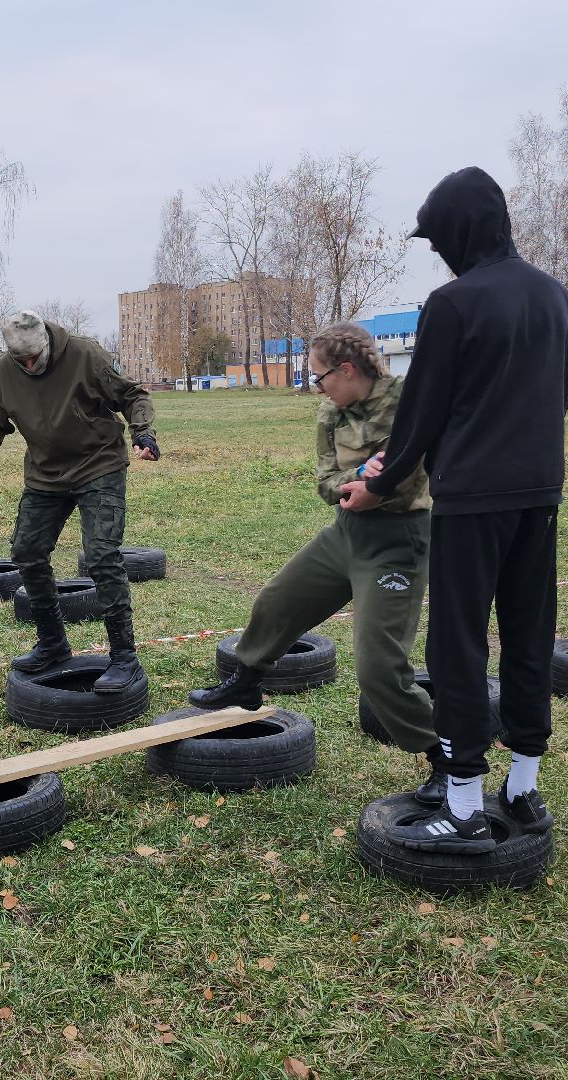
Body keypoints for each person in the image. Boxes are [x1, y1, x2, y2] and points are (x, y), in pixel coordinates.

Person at [339, 166, 568, 851]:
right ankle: (524, 789)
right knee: (529, 634)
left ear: (460, 232)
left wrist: (378, 483)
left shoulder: (452, 304)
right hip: (540, 491)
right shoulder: (556, 295)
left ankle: (465, 804)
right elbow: (562, 389)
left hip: (472, 497)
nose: (439, 252)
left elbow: (422, 411)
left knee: (458, 644)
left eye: (439, 239)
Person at [188, 323, 443, 790]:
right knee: (277, 600)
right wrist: (357, 477)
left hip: (398, 542)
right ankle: (247, 681)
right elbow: (326, 484)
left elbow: (435, 453)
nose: (317, 387)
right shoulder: (330, 415)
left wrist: (382, 480)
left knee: (378, 667)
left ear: (346, 369)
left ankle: (444, 761)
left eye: (320, 376)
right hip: (346, 533)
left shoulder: (409, 398)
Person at [0, 310, 160, 692]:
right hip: (45, 474)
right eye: (21, 360)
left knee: (101, 555)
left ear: (46, 343)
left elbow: (132, 395)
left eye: (34, 357)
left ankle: (125, 657)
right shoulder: (4, 373)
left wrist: (143, 433)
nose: (29, 365)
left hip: (98, 465)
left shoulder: (86, 355)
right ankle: (53, 644)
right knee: (27, 551)